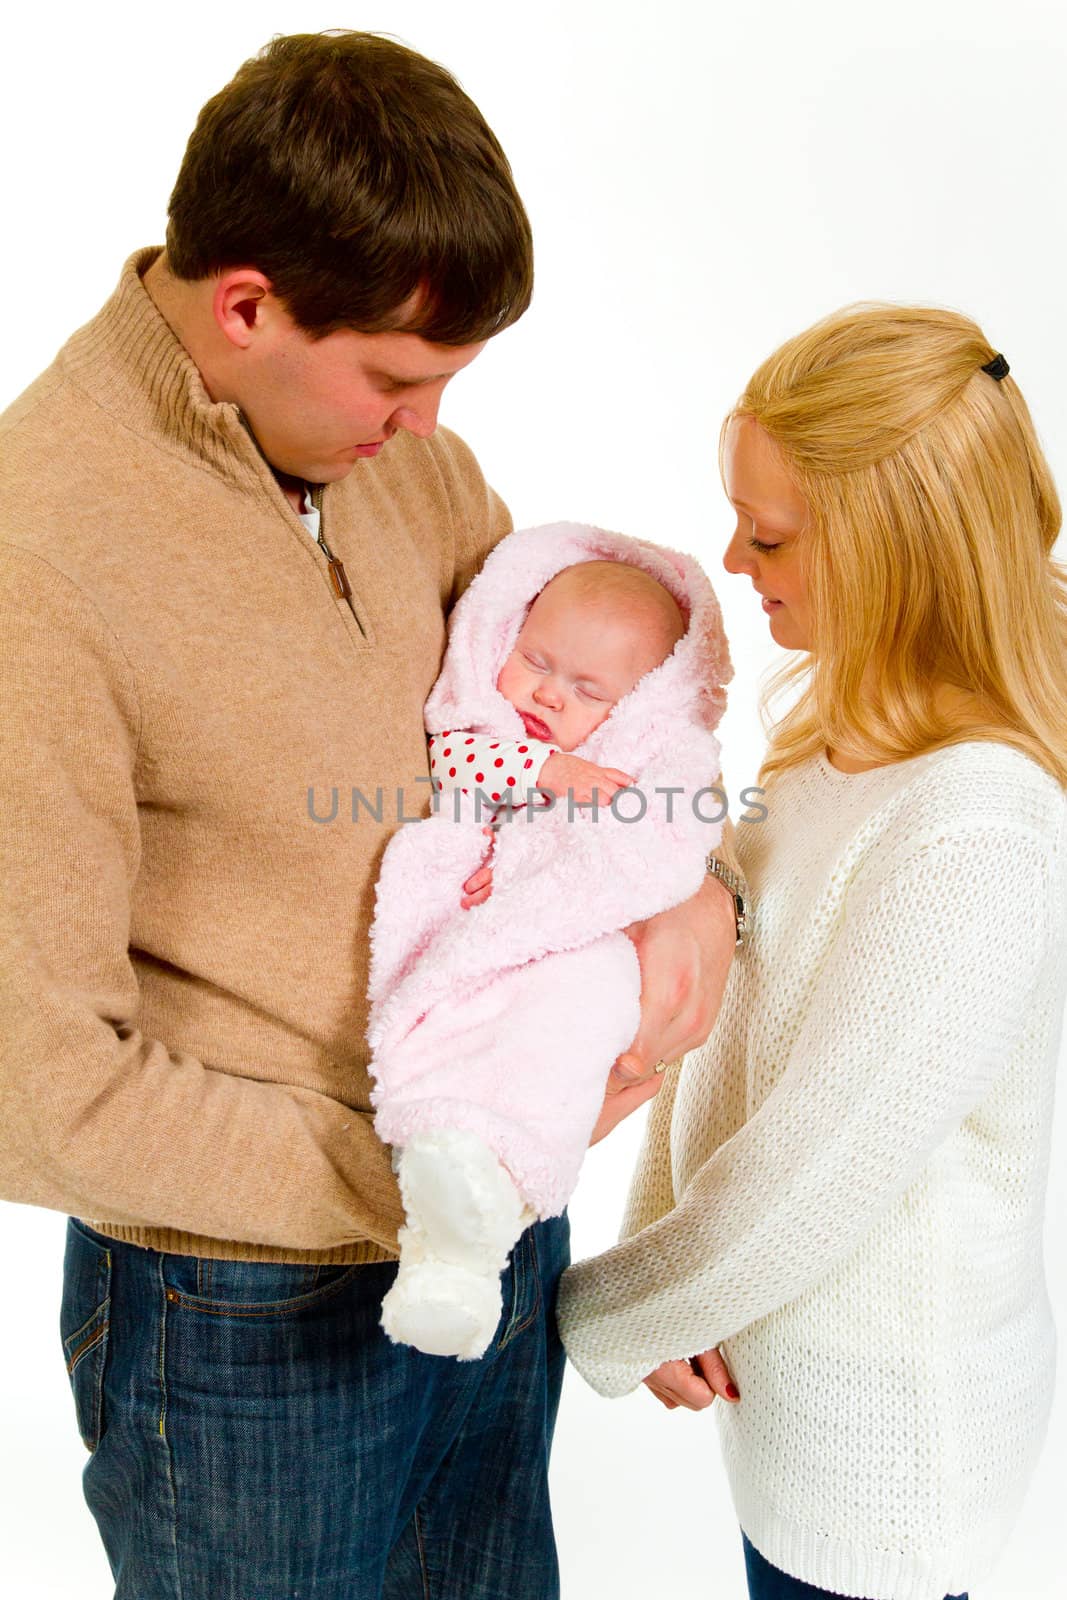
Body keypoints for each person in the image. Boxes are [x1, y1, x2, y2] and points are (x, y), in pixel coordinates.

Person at [0, 29, 736, 1600]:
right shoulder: (37, 560)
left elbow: (591, 714)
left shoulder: (406, 468)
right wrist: (409, 1184)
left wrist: (691, 886)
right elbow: (34, 1085)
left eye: (447, 387)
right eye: (395, 381)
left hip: (492, 1226)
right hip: (240, 1312)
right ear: (247, 306)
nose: (426, 428)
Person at [556, 305, 1067, 1600]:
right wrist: (665, 1261)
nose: (728, 557)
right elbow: (732, 1022)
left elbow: (813, 1170)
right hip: (782, 1397)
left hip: (885, 1455)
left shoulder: (970, 831)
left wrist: (597, 1318)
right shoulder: (835, 729)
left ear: (894, 547)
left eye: (768, 534)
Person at [367, 527, 731, 1360]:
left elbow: (642, 850)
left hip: (560, 946)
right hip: (466, 931)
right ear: (505, 633)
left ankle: (470, 1229)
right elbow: (454, 757)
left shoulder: (641, 760)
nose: (549, 697)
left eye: (587, 689)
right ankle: (447, 1184)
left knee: (569, 1020)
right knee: (460, 1042)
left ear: (637, 706)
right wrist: (538, 772)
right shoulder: (482, 725)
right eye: (535, 661)